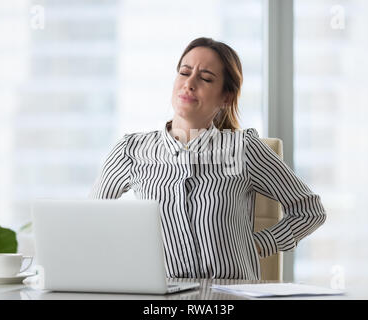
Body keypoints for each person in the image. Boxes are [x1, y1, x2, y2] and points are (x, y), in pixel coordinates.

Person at [90, 37, 326, 280]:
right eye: (184, 72)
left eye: (205, 78)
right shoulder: (130, 150)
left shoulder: (245, 149)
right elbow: (91, 221)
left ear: (226, 96)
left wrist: (258, 245)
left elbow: (309, 210)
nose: (189, 84)